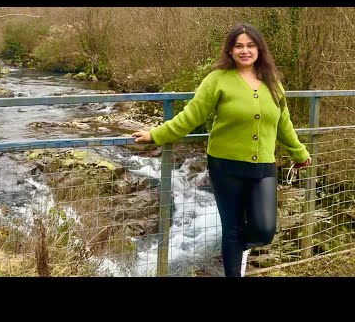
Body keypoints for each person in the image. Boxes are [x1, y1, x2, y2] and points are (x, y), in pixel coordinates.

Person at [131, 23, 311, 277]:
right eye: (239, 46)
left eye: (250, 45)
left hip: (263, 167)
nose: (245, 51)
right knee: (232, 228)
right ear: (230, 50)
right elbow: (191, 116)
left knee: (264, 230)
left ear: (259, 49)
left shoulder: (273, 82)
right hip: (226, 166)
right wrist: (156, 134)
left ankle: (233, 248)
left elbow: (284, 124)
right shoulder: (217, 79)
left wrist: (298, 152)